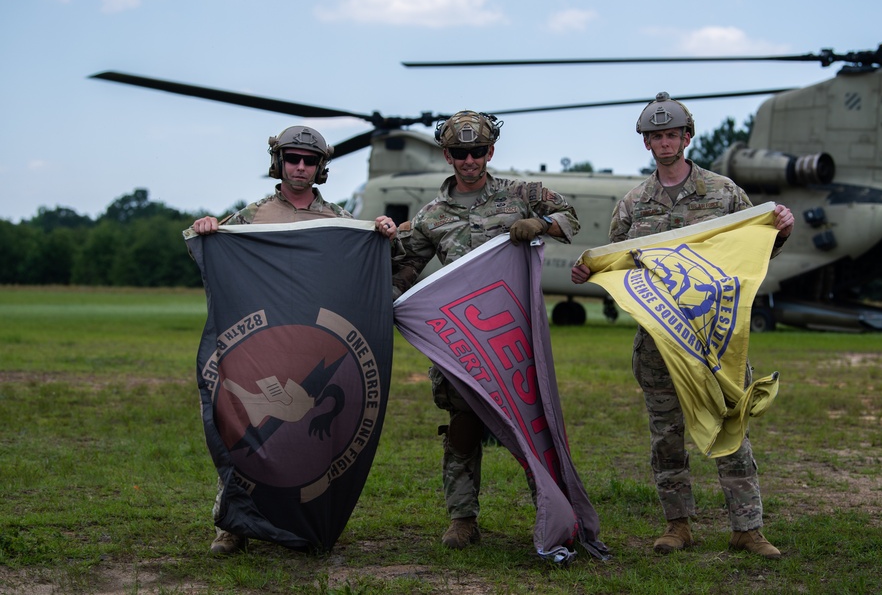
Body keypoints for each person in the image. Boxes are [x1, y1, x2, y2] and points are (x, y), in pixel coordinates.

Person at [571, 93, 794, 559]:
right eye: (655, 136)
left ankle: (747, 529)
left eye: (671, 133)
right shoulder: (633, 204)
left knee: (732, 425)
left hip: (714, 338)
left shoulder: (725, 193)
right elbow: (619, 265)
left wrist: (782, 231)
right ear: (647, 143)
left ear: (686, 138)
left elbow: (754, 250)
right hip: (658, 343)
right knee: (666, 435)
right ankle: (678, 526)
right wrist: (588, 268)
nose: (664, 142)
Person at [188, 125, 399, 555]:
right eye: (292, 158)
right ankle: (232, 524)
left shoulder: (338, 220)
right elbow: (220, 257)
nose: (300, 167)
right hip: (264, 347)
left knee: (299, 439)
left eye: (309, 160)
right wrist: (210, 227)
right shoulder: (253, 215)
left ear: (321, 167)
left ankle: (301, 520)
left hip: (309, 349)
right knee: (242, 428)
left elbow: (357, 271)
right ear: (279, 161)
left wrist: (378, 233)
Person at [391, 110, 581, 549]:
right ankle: (462, 518)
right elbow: (408, 268)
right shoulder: (431, 216)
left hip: (514, 340)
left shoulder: (521, 194)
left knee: (534, 426)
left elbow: (569, 216)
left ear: (490, 151)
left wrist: (541, 223)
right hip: (461, 344)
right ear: (447, 155)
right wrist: (386, 295)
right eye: (460, 152)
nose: (469, 160)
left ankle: (554, 509)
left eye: (477, 151)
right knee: (463, 427)